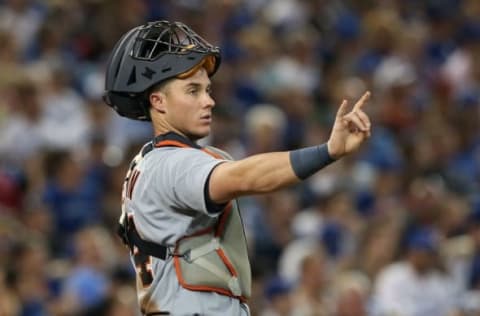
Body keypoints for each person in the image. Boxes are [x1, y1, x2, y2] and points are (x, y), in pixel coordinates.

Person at [103, 20, 372, 316]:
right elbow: (243, 176)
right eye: (192, 91)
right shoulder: (172, 162)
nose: (209, 101)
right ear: (158, 101)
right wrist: (328, 151)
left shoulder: (151, 162)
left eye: (207, 90)